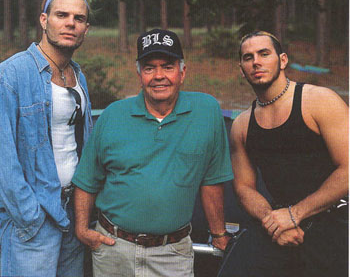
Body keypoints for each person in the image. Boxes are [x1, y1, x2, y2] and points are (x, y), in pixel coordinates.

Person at [72, 28, 233, 277]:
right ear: (139, 75)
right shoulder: (113, 115)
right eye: (149, 68)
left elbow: (211, 180)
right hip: (113, 250)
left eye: (167, 66)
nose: (159, 76)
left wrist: (220, 234)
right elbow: (86, 180)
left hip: (172, 253)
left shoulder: (206, 112)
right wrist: (82, 230)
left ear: (182, 72)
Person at [221, 31, 348, 277]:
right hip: (278, 226)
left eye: (264, 54)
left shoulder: (319, 101)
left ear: (282, 60)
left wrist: (295, 214)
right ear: (241, 68)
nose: (255, 62)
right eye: (248, 57)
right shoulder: (242, 125)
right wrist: (274, 221)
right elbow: (244, 189)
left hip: (334, 223)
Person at [0, 0, 92, 276]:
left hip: (73, 213)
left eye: (79, 18)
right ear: (44, 20)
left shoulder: (78, 75)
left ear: (85, 29)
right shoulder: (11, 74)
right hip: (33, 219)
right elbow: (4, 157)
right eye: (61, 15)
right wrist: (29, 216)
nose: (70, 23)